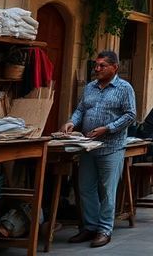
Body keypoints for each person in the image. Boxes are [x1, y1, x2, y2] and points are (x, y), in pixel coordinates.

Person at [61, 50, 136, 248]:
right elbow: (81, 110)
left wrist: (108, 128)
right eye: (96, 65)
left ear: (114, 67)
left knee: (107, 191)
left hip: (111, 147)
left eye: (102, 66)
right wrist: (71, 122)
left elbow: (130, 115)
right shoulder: (90, 88)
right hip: (88, 147)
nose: (97, 69)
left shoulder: (124, 88)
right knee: (86, 188)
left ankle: (104, 230)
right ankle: (90, 227)